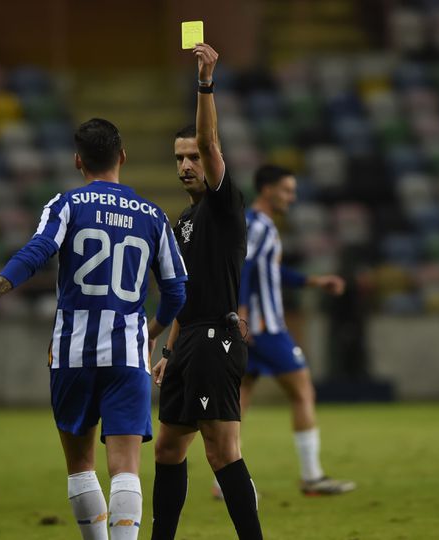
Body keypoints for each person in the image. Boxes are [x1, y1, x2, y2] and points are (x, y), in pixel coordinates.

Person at [0, 118, 187, 540]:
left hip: (71, 354)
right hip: (128, 356)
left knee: (81, 465)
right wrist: (151, 331)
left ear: (78, 160)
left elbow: (36, 251)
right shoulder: (153, 216)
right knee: (125, 466)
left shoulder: (66, 205)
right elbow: (178, 291)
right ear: (123, 157)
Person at [150, 43, 263, 540]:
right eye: (179, 158)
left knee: (222, 452)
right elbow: (182, 293)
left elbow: (213, 144)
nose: (186, 165)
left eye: (193, 156)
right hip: (189, 341)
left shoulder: (224, 205)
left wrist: (204, 82)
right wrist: (169, 349)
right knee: (167, 449)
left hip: (216, 339)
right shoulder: (184, 220)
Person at [225, 164, 356, 497]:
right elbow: (244, 267)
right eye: (287, 190)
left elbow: (270, 270)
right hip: (264, 327)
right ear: (267, 190)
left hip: (251, 327)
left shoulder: (256, 225)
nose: (292, 197)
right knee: (302, 392)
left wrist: (313, 281)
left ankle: (223, 481)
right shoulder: (259, 225)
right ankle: (312, 477)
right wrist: (241, 313)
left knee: (240, 400)